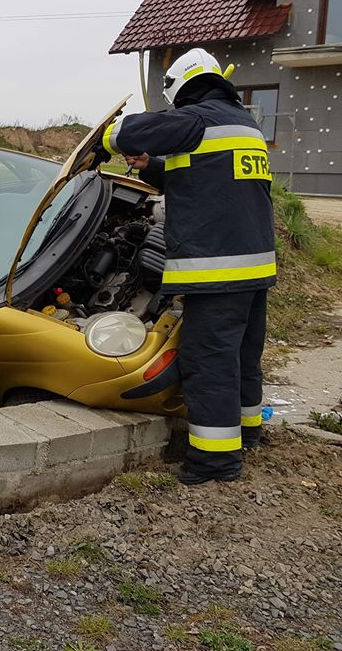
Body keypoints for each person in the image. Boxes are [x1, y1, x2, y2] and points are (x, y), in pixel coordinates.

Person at [97, 48, 276, 485]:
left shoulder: (197, 119)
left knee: (209, 362)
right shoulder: (242, 123)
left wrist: (107, 137)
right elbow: (204, 176)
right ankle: (247, 432)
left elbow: (128, 132)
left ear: (181, 88)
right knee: (242, 357)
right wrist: (151, 168)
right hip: (253, 269)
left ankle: (214, 462)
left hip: (217, 272)